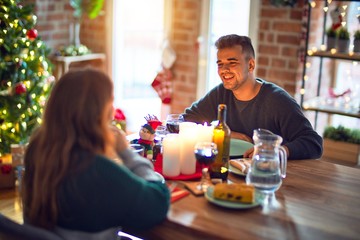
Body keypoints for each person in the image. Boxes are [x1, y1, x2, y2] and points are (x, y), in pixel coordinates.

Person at [22, 68, 170, 235]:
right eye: (110, 103)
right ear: (98, 113)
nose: (113, 113)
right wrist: (125, 152)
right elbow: (157, 203)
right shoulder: (95, 169)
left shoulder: (37, 151)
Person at [183, 34, 323, 160]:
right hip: (229, 172)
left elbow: (313, 143)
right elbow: (185, 121)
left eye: (232, 63)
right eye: (220, 64)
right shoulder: (220, 93)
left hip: (269, 176)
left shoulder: (277, 100)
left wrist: (276, 151)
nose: (224, 70)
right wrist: (224, 133)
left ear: (250, 65)